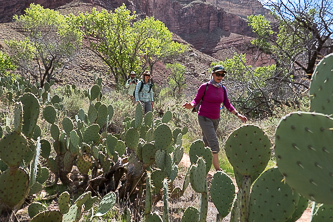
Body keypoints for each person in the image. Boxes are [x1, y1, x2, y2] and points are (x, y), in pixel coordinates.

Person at [182, 65, 247, 171]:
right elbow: (196, 100)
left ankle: (199, 164)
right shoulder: (205, 86)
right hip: (204, 117)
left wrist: (238, 115)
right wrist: (191, 105)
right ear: (212, 74)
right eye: (218, 74)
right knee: (214, 143)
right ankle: (218, 169)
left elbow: (227, 104)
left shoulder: (223, 89)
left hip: (216, 119)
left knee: (206, 142)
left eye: (222, 74)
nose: (220, 76)